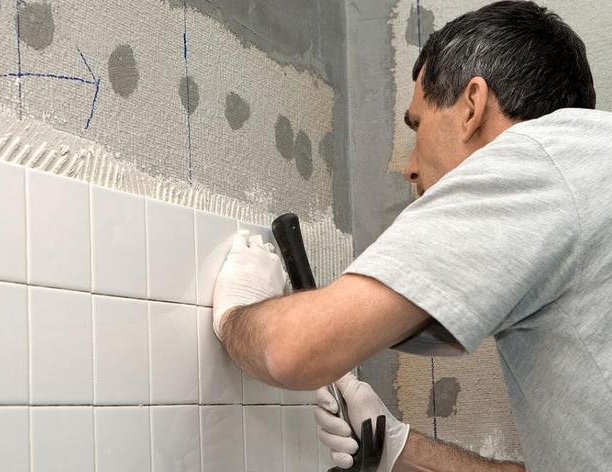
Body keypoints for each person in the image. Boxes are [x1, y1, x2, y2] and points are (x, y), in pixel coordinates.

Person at [212, 1, 612, 470]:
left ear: (472, 106)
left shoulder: (536, 162)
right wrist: (399, 447)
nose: (410, 167)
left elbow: (291, 351)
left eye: (418, 125)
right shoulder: (587, 166)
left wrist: (236, 314)